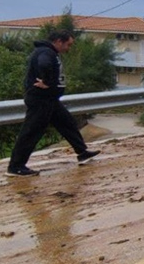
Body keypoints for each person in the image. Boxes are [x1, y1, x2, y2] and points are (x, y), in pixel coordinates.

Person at [6, 29, 100, 177]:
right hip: (40, 99)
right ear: (58, 41)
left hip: (50, 99)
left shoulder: (49, 52)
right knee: (31, 132)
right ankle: (16, 166)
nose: (68, 48)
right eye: (67, 45)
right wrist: (47, 82)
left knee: (68, 123)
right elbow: (44, 65)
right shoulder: (46, 53)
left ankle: (82, 153)